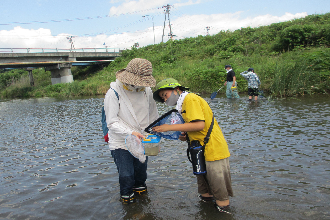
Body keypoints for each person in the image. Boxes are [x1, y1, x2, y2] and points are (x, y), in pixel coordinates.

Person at [152, 78, 233, 214]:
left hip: (213, 149)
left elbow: (199, 124)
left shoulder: (190, 99)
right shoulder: (181, 105)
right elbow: (193, 127)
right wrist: (184, 135)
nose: (165, 100)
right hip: (199, 150)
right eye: (163, 98)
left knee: (219, 191)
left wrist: (169, 127)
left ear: (176, 90)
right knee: (205, 191)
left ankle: (223, 213)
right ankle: (207, 213)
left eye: (165, 95)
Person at [103, 58, 159, 203]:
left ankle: (143, 204)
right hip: (121, 140)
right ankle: (128, 204)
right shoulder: (113, 92)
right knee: (127, 176)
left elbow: (153, 114)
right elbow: (112, 121)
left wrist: (156, 132)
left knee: (141, 176)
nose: (139, 85)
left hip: (142, 138)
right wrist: (130, 132)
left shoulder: (147, 90)